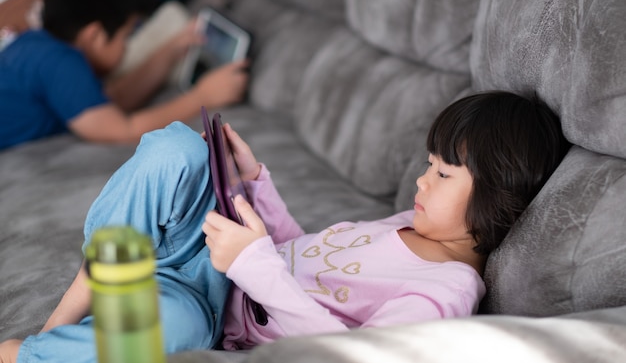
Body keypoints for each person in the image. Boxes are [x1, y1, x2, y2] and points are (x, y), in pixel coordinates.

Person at [0, 91, 570, 363]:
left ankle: (28, 353)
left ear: (497, 198)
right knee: (178, 148)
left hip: (214, 308)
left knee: (163, 336)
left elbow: (351, 353)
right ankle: (76, 297)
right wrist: (255, 182)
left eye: (444, 174)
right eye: (427, 164)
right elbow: (302, 254)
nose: (421, 183)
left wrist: (251, 265)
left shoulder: (444, 291)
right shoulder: (413, 223)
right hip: (219, 251)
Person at [0, 0, 248, 150]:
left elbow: (110, 102)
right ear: (95, 36)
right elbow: (122, 131)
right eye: (126, 36)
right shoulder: (60, 62)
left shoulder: (40, 46)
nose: (126, 47)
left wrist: (172, 50)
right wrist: (202, 97)